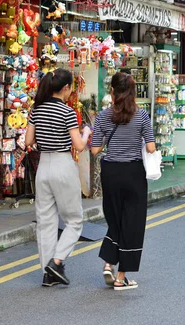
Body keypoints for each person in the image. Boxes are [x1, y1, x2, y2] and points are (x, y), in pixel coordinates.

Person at [25, 69, 92, 287]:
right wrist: (86, 133)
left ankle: (48, 274)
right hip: (63, 165)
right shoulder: (68, 112)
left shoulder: (37, 110)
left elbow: (28, 141)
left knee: (45, 222)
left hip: (43, 166)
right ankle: (57, 261)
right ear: (65, 88)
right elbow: (79, 146)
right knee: (74, 220)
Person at [91, 72, 156, 291]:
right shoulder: (142, 116)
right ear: (132, 93)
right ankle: (120, 277)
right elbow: (150, 147)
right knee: (132, 223)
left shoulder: (101, 117)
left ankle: (108, 262)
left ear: (112, 91)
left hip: (110, 172)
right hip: (133, 173)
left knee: (115, 219)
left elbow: (95, 150)